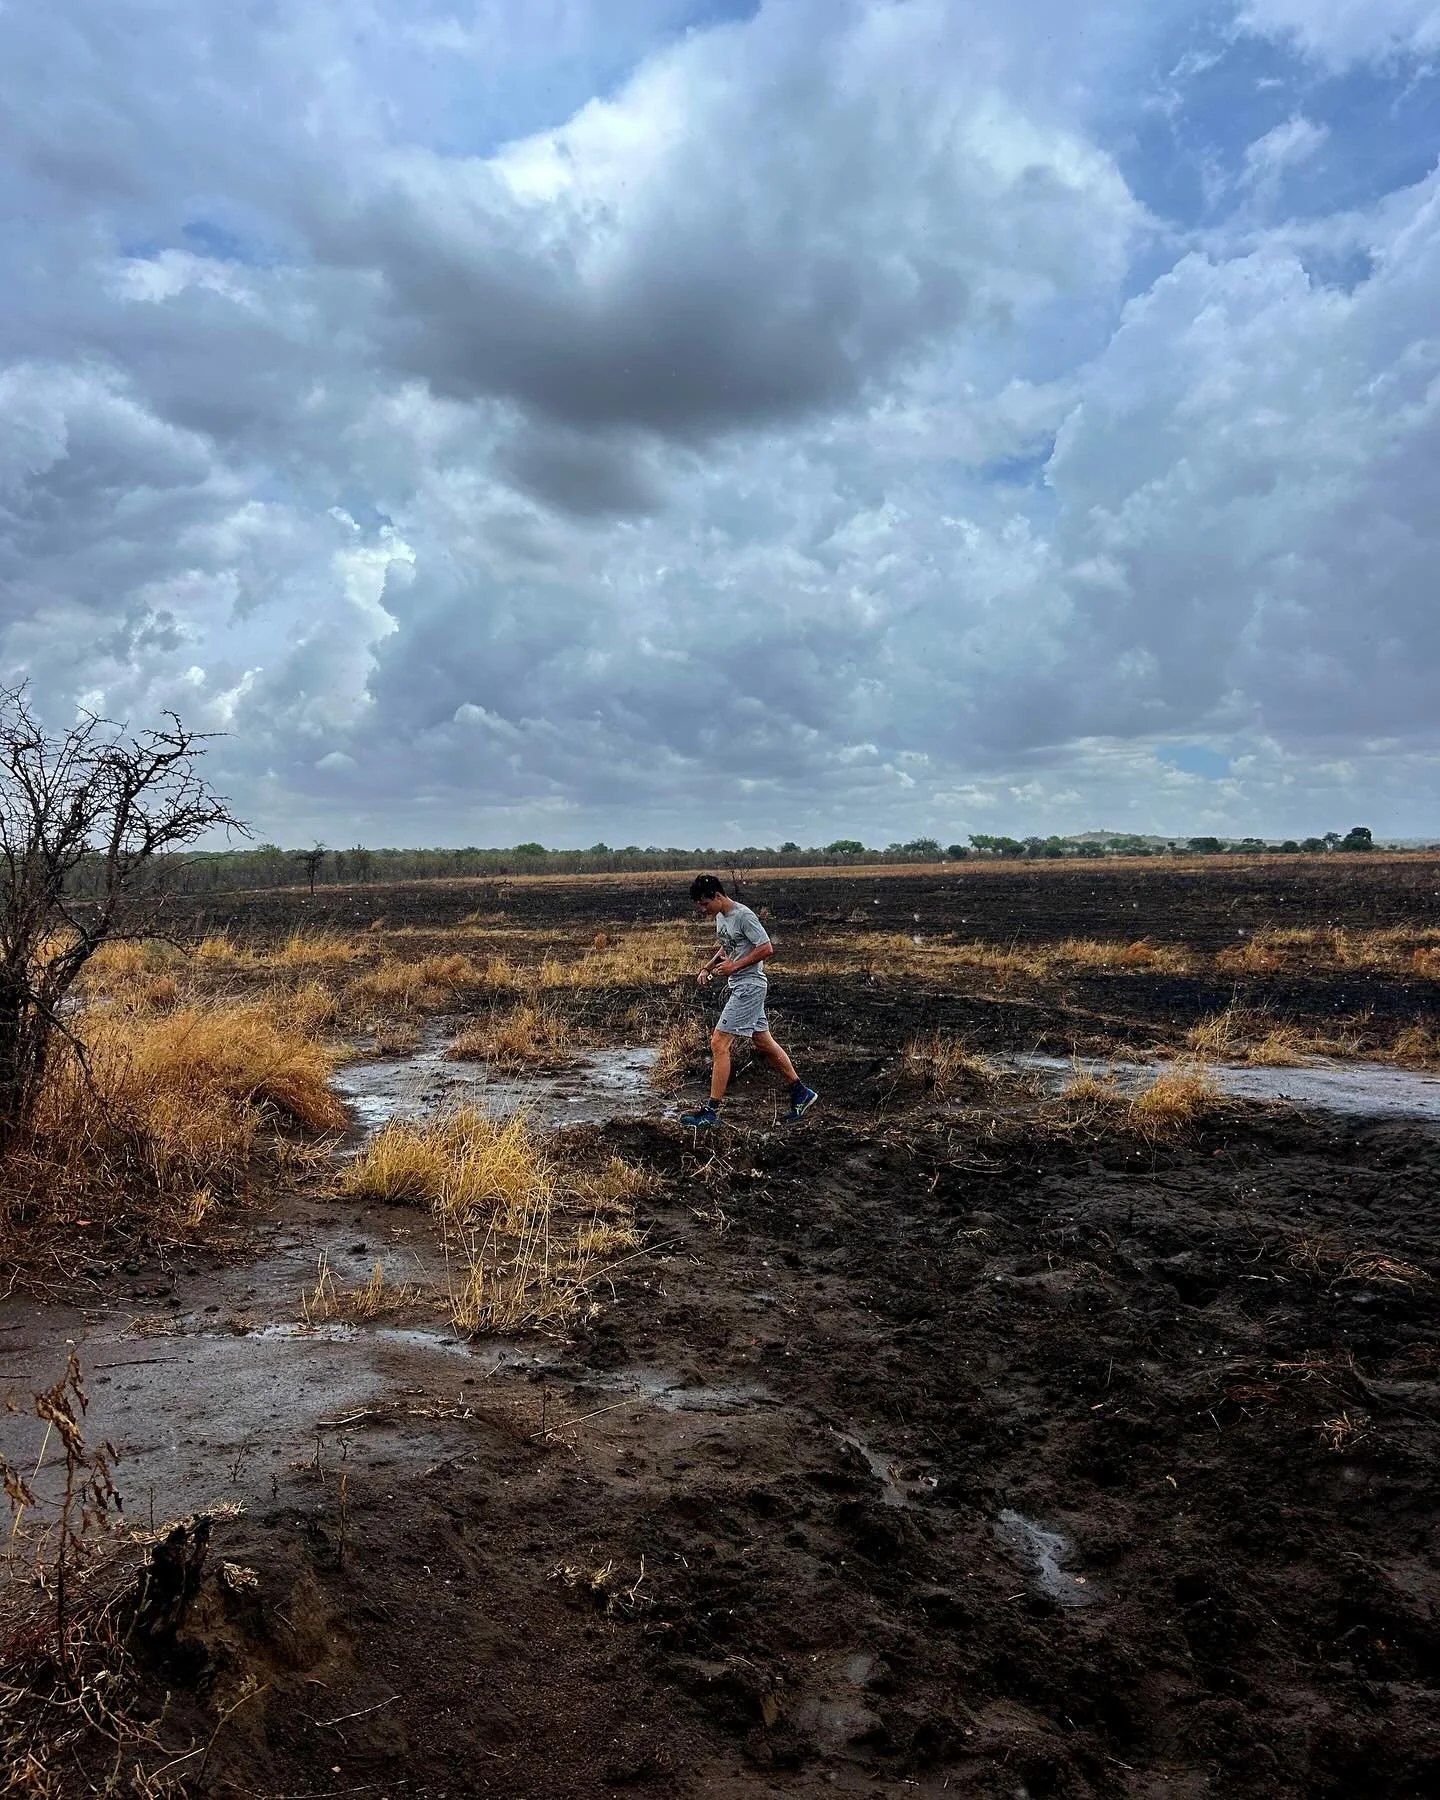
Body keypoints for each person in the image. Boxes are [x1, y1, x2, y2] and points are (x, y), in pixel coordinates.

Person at [679, 874, 818, 1128]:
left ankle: (711, 1113)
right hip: (740, 985)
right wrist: (707, 968)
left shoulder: (743, 915)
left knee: (719, 1043)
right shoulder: (721, 916)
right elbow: (727, 946)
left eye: (704, 904)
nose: (702, 909)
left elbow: (766, 947)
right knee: (763, 1041)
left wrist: (735, 967)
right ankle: (801, 1092)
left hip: (749, 987)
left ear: (717, 896)